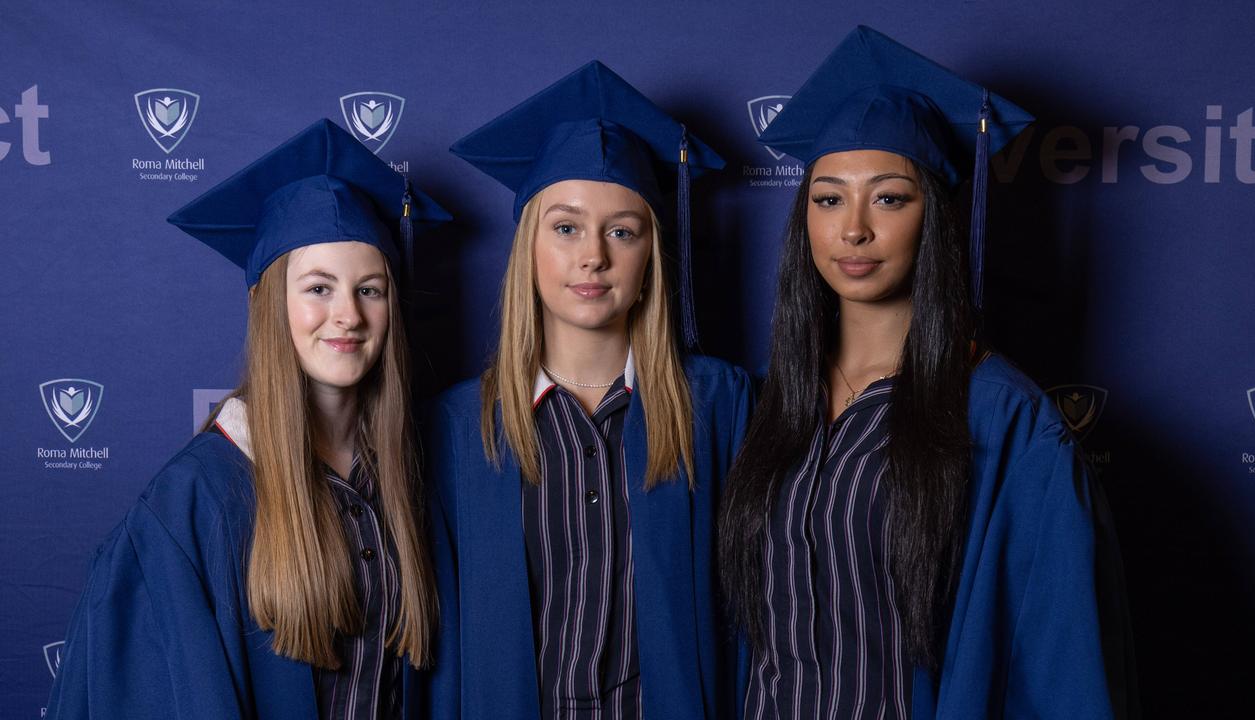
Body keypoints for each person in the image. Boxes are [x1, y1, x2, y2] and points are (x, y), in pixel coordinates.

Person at [717, 26, 1136, 719]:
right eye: (828, 199)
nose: (853, 229)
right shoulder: (762, 405)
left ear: (935, 215)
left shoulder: (1000, 417)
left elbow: (1059, 657)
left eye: (888, 198)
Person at [45, 119, 451, 720]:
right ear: (268, 304)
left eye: (370, 290)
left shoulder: (404, 479)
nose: (347, 315)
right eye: (318, 288)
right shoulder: (197, 497)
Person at [427, 61, 751, 719]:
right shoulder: (460, 426)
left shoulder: (717, 404)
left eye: (622, 231)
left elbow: (753, 615)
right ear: (529, 247)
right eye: (566, 226)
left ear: (650, 255)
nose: (593, 256)